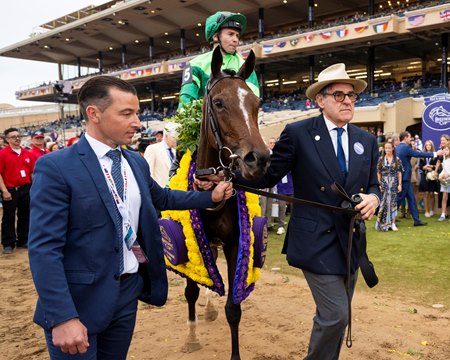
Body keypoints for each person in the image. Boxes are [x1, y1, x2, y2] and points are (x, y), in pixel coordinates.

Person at [28, 76, 233, 359]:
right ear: (94, 114)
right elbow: (44, 250)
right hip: (79, 304)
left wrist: (211, 197)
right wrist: (62, 316)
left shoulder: (134, 161)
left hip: (126, 295)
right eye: (127, 113)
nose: (137, 121)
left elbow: (163, 198)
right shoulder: (56, 167)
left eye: (137, 112)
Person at [219, 63, 380, 359]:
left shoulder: (366, 141)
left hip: (351, 242)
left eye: (352, 96)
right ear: (320, 100)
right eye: (339, 95)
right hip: (315, 239)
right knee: (336, 315)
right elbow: (268, 177)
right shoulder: (298, 133)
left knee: (335, 316)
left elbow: (374, 185)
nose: (347, 101)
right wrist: (228, 176)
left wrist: (374, 198)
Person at [178, 11, 259, 106]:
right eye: (230, 34)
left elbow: (252, 100)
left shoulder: (245, 66)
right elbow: (185, 101)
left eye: (237, 35)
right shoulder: (194, 65)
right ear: (216, 37)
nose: (235, 39)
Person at [0, 128, 35, 254]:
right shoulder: (2, 154)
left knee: (25, 216)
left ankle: (23, 240)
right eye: (13, 136)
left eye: (18, 136)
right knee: (9, 217)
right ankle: (8, 243)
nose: (17, 138)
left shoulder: (27, 153)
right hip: (10, 189)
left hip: (26, 188)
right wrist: (4, 190)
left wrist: (34, 188)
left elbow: (31, 173)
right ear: (8, 139)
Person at [395, 131, 441, 227]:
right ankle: (386, 218)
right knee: (399, 199)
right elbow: (419, 154)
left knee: (411, 199)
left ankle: (416, 220)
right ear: (405, 138)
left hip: (404, 177)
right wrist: (435, 153)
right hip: (405, 177)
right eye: (409, 137)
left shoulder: (398, 147)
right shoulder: (405, 147)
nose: (410, 139)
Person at [375, 142, 403, 231]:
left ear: (392, 148)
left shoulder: (397, 159)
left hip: (394, 183)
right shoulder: (381, 159)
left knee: (393, 203)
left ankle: (393, 223)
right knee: (384, 203)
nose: (387, 150)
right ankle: (382, 222)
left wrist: (399, 184)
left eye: (389, 148)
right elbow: (378, 172)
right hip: (384, 184)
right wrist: (379, 184)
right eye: (386, 148)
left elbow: (399, 172)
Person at [143, 122, 179, 187]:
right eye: (175, 137)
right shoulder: (152, 149)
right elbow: (147, 174)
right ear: (166, 136)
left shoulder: (176, 151)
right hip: (159, 193)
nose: (177, 140)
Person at [418, 140, 439, 218]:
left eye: (429, 145)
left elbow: (438, 165)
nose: (428, 146)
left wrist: (432, 167)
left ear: (432, 146)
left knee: (431, 193)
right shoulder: (423, 155)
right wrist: (424, 167)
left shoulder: (435, 155)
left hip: (432, 176)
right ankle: (426, 211)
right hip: (424, 175)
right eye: (427, 145)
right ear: (425, 146)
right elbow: (420, 166)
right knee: (426, 193)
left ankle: (431, 210)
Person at [437, 144, 450, 221]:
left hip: (448, 178)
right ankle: (443, 215)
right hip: (445, 181)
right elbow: (444, 170)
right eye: (444, 150)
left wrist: (448, 175)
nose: (445, 151)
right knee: (444, 197)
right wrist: (440, 175)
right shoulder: (444, 159)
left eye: (447, 149)